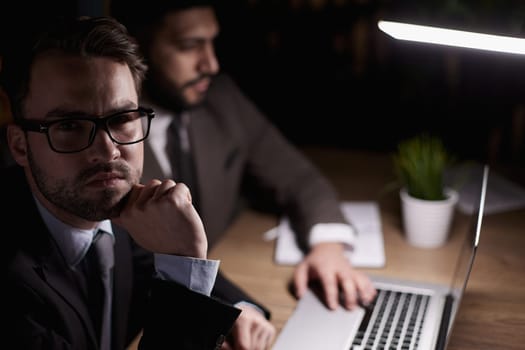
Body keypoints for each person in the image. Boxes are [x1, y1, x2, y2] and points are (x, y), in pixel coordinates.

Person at [111, 2, 378, 348]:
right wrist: (229, 307)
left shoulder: (221, 98)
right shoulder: (107, 148)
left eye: (211, 42)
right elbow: (147, 263)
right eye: (190, 46)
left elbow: (297, 176)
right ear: (135, 47)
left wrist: (328, 245)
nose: (211, 64)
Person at [1, 16, 242, 349]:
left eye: (123, 118)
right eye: (70, 125)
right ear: (19, 146)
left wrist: (242, 310)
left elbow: (148, 264)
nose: (107, 150)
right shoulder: (10, 284)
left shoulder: (114, 213)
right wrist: (186, 265)